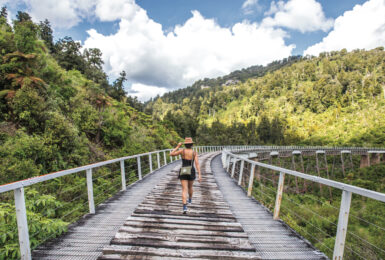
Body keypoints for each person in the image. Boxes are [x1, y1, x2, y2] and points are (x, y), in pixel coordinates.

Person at [170, 137, 201, 214]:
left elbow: (171, 154)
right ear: (191, 145)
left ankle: (184, 207)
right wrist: (200, 174)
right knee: (190, 187)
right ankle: (190, 199)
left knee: (184, 189)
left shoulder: (182, 151)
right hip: (191, 170)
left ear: (185, 144)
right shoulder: (194, 153)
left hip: (183, 170)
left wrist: (178, 146)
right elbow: (197, 164)